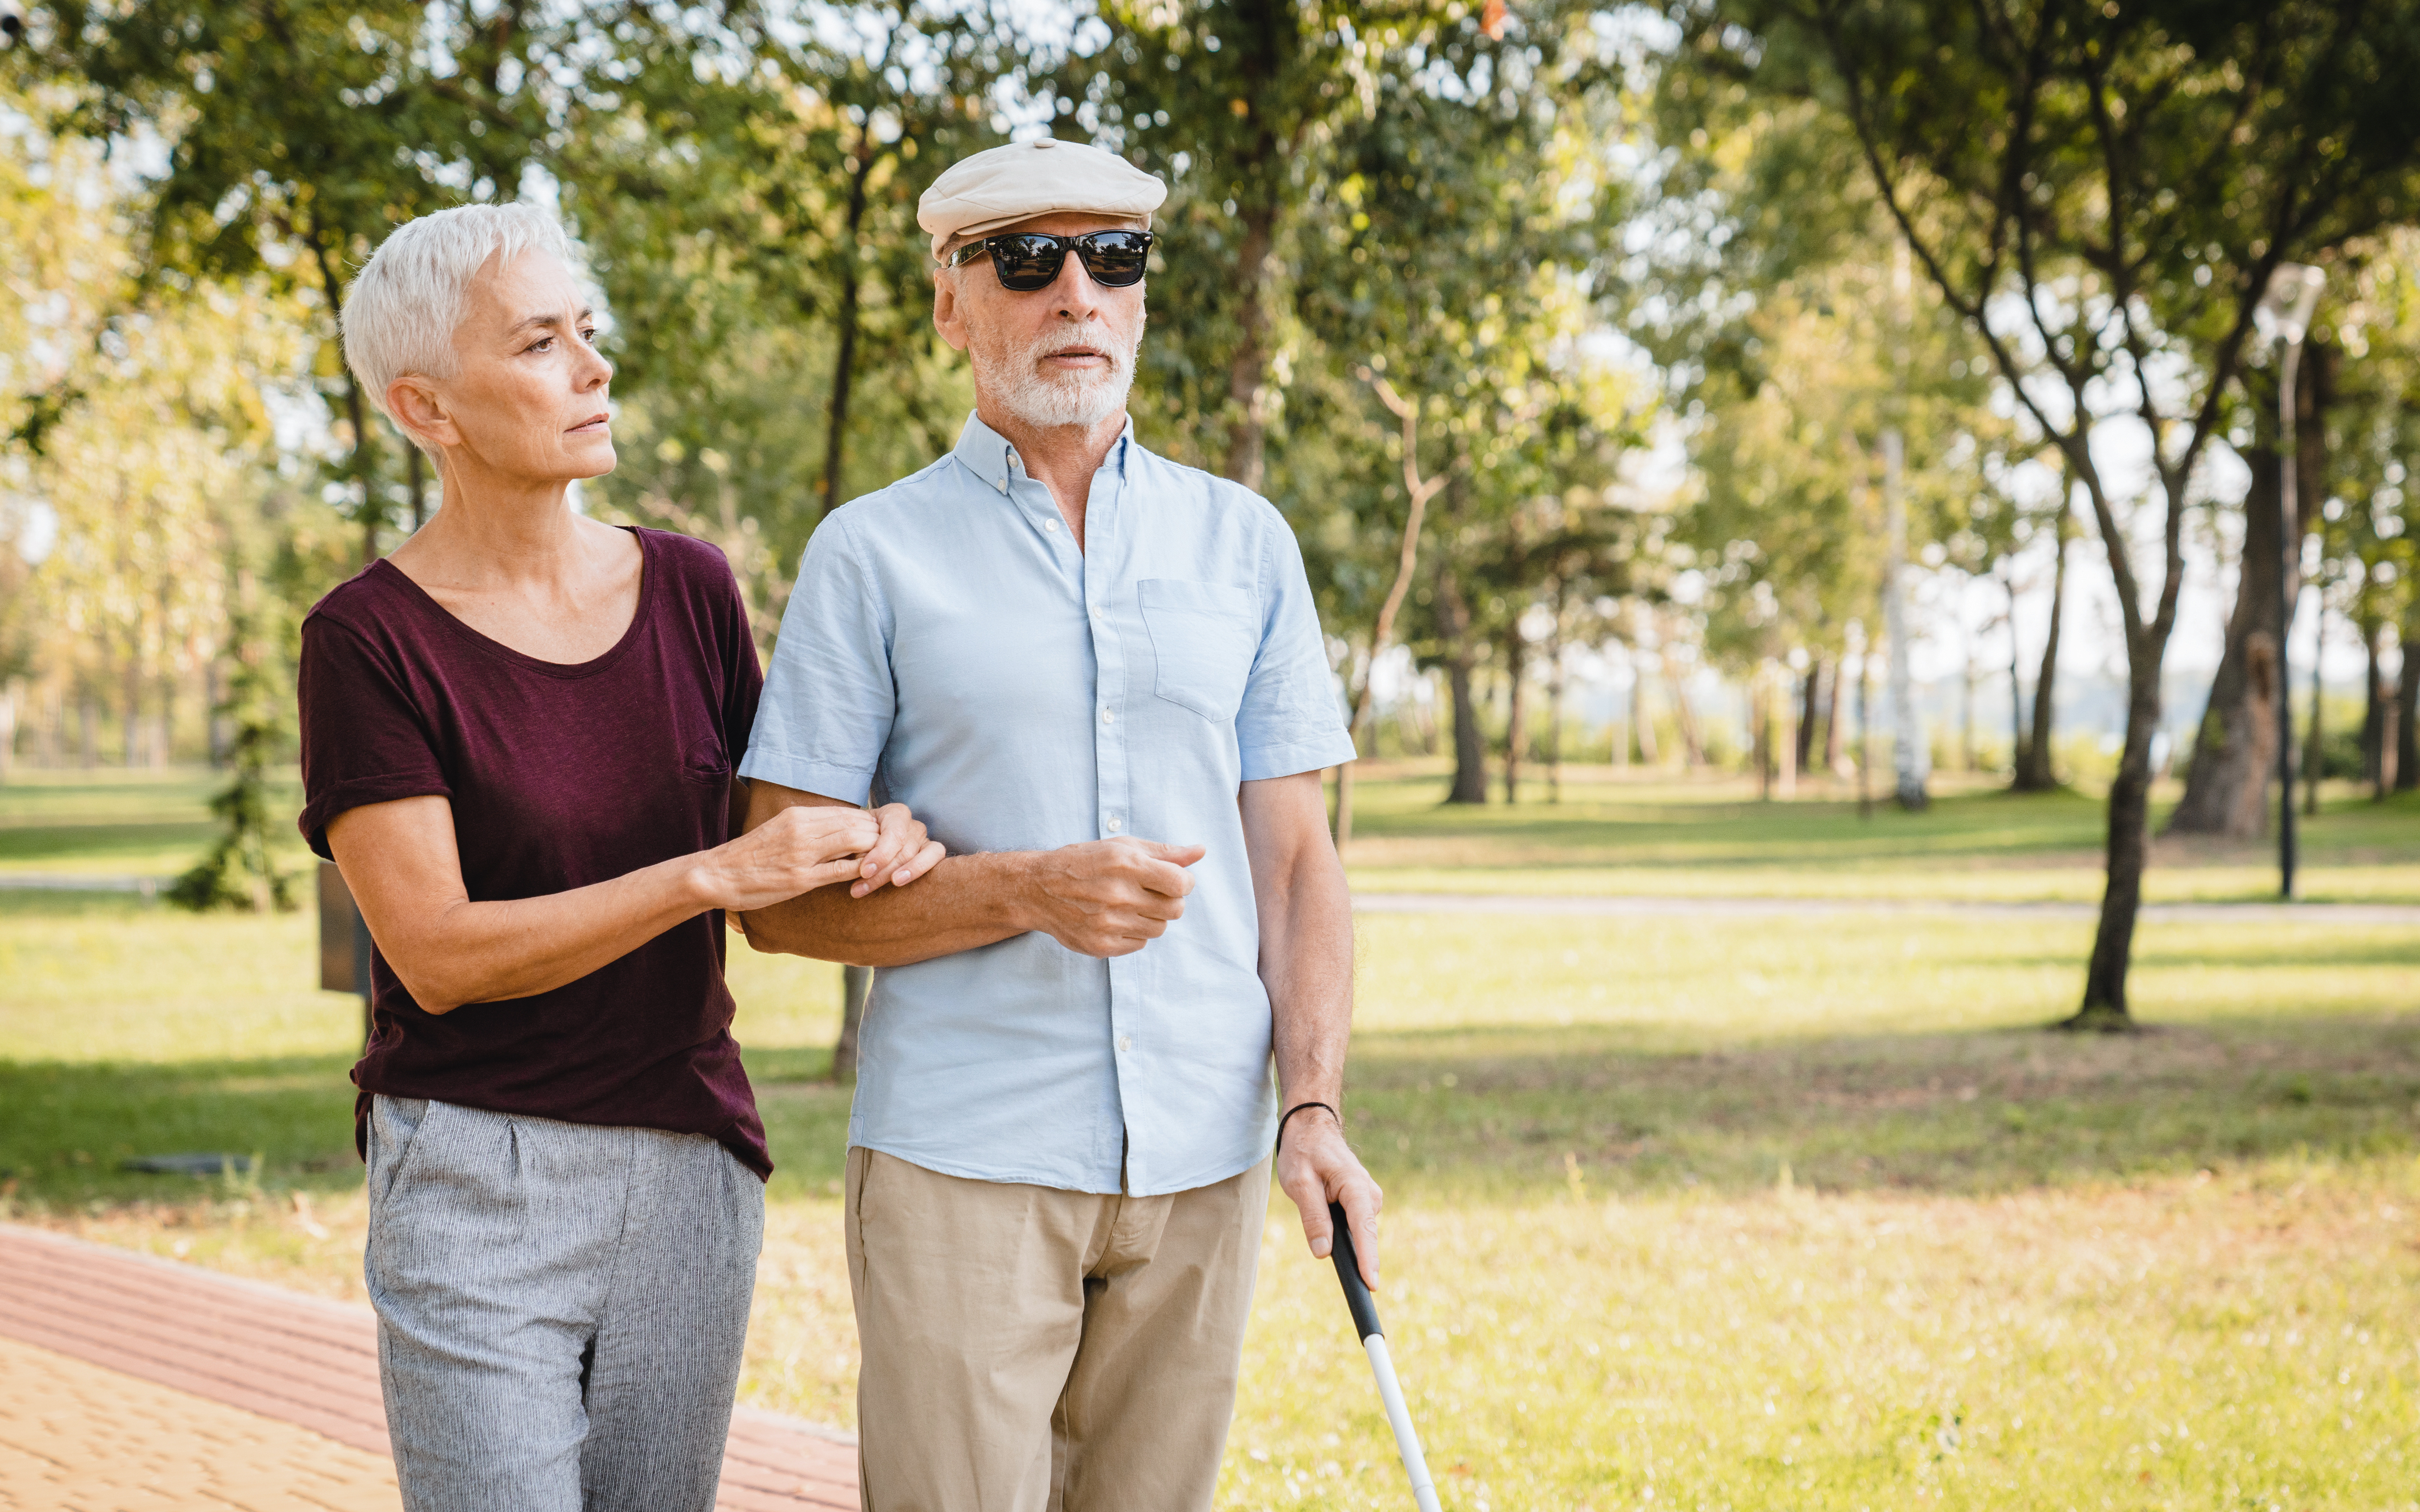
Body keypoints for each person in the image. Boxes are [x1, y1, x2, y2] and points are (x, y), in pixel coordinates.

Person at [735, 138, 1382, 1511]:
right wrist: (1024, 891)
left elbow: (1300, 862)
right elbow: (776, 902)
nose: (1076, 294)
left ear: (1144, 294)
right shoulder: (871, 552)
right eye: (1028, 261)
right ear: (950, 302)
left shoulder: (1248, 543)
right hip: (966, 1156)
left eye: (1115, 259)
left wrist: (1312, 1105)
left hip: (1206, 1157)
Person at [296, 202, 942, 1512]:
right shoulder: (367, 641)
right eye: (540, 343)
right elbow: (437, 955)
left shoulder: (694, 590)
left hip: (688, 1169)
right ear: (429, 407)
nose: (594, 369)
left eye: (588, 333)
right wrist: (701, 879)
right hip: (478, 1178)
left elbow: (779, 841)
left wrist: (881, 828)